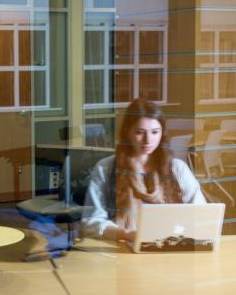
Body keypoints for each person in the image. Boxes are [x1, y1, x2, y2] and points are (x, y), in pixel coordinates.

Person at [82, 99, 206, 242]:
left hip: (170, 247)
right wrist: (126, 234)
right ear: (128, 132)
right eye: (140, 132)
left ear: (162, 133)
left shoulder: (177, 169)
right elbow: (91, 221)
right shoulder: (106, 168)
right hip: (121, 250)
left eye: (154, 132)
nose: (148, 140)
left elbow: (201, 214)